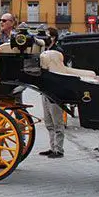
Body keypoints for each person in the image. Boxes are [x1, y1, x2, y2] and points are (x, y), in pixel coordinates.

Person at [39, 27, 66, 159]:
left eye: (48, 35)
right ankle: (52, 147)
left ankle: (59, 149)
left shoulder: (57, 51)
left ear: (53, 37)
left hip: (54, 90)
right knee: (49, 122)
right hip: (45, 89)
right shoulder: (46, 50)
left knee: (57, 122)